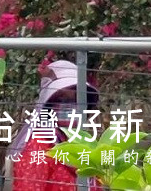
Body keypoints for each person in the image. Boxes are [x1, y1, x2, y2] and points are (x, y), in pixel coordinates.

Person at [9, 60, 101, 191]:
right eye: (61, 99)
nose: (69, 106)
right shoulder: (39, 145)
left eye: (76, 100)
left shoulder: (84, 143)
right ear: (48, 105)